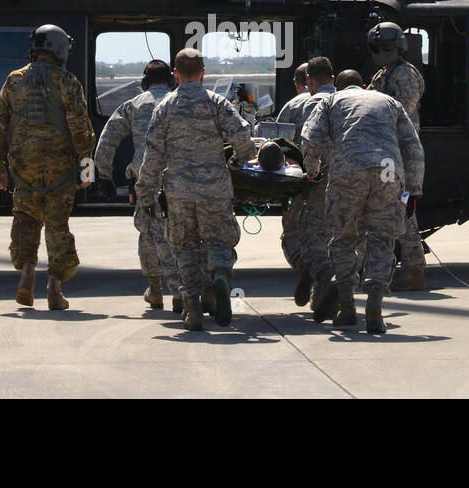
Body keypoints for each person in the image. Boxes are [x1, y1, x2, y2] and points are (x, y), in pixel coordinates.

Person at [138, 48, 256, 331]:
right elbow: (243, 137)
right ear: (203, 74)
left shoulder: (164, 106)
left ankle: (191, 309)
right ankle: (219, 275)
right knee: (219, 240)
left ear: (176, 75)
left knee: (185, 247)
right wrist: (238, 159)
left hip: (178, 191)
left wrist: (145, 191)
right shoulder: (216, 102)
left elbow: (152, 154)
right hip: (214, 188)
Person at [301, 73, 424, 335]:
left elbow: (310, 137)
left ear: (339, 86)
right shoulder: (390, 102)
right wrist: (413, 190)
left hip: (348, 170)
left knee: (343, 237)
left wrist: (312, 171)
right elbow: (413, 148)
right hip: (388, 171)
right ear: (365, 86)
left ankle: (347, 309)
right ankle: (375, 311)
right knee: (382, 239)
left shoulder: (331, 100)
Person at [0, 24, 95, 311]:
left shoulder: (13, 81)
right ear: (59, 49)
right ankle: (55, 288)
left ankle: (27, 271)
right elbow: (81, 129)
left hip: (23, 170)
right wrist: (86, 165)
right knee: (57, 225)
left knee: (25, 219)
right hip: (60, 171)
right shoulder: (68, 82)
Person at [93, 59, 180, 312]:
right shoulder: (179, 103)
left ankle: (155, 290)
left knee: (149, 234)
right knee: (182, 233)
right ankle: (181, 291)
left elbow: (107, 141)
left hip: (146, 182)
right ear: (172, 80)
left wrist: (105, 175)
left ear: (144, 82)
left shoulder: (133, 105)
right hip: (180, 180)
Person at [367, 21, 428, 291]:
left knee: (402, 209)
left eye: (387, 46)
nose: (383, 50)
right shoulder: (384, 73)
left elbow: (402, 108)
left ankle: (415, 268)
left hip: (401, 153)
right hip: (388, 150)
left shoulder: (403, 74)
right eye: (379, 46)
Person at [275, 57, 335, 308]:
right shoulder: (346, 102)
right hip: (348, 181)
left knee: (299, 233)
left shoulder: (297, 105)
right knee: (337, 236)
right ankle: (325, 290)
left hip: (308, 183)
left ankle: (309, 268)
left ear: (308, 81)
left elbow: (277, 143)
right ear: (333, 78)